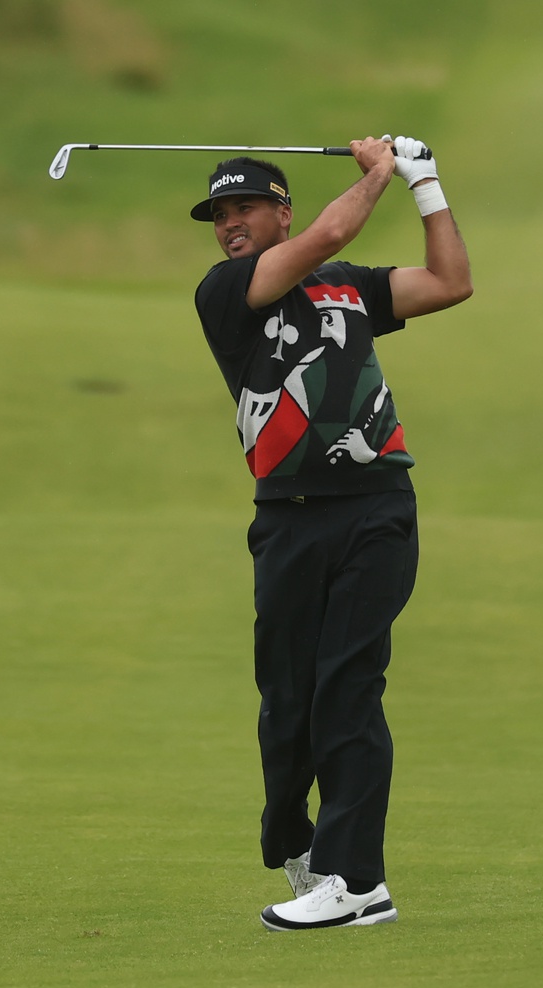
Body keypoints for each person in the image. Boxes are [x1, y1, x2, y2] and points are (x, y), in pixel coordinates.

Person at [191, 135, 472, 931]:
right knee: (288, 703)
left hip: (377, 506)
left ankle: (357, 882)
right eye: (218, 213)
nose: (229, 223)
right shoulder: (226, 291)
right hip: (288, 519)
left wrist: (423, 182)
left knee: (349, 687)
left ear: (278, 209)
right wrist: (378, 169)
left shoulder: (349, 290)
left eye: (244, 206)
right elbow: (331, 234)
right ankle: (297, 840)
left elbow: (452, 283)